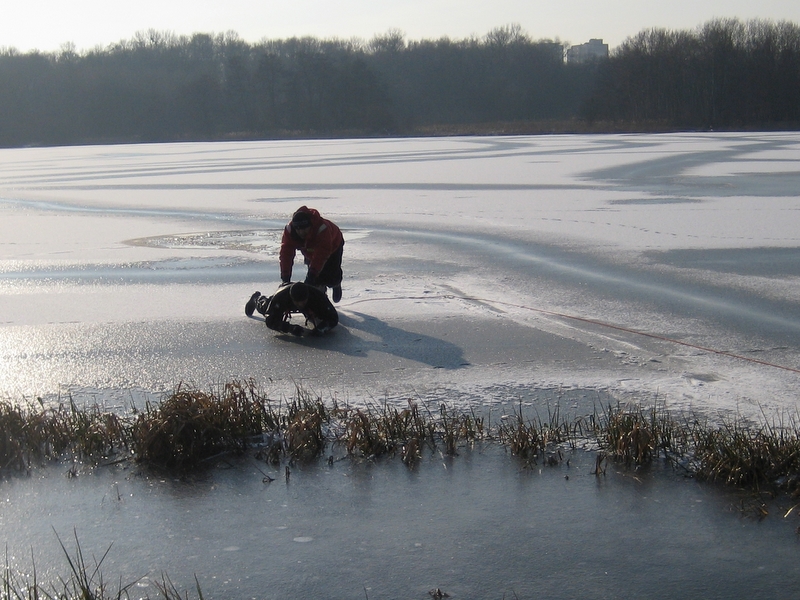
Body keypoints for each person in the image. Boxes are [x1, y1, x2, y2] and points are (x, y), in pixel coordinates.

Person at [280, 206, 344, 303]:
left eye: (304, 229)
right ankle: (320, 295)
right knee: (316, 280)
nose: (301, 232)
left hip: (333, 245)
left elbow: (321, 255)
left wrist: (312, 275)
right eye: (298, 229)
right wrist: (285, 277)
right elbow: (286, 254)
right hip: (309, 249)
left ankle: (336, 284)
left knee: (330, 274)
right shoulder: (290, 231)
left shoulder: (322, 229)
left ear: (310, 225)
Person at [245, 282, 338, 336]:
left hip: (310, 303)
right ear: (292, 299)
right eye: (298, 302)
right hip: (284, 291)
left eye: (303, 302)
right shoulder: (280, 298)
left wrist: (320, 329)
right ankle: (255, 299)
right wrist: (289, 328)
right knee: (265, 308)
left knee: (322, 314)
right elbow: (270, 321)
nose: (300, 304)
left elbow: (333, 318)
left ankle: (310, 312)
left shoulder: (318, 296)